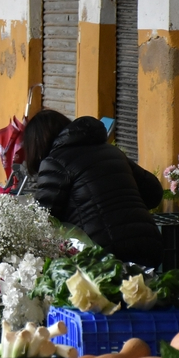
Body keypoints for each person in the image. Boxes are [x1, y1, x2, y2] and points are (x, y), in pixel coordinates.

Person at [24, 109, 164, 267]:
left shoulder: (55, 161)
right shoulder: (113, 152)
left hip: (103, 253)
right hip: (149, 242)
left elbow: (43, 218)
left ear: (36, 143)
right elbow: (154, 192)